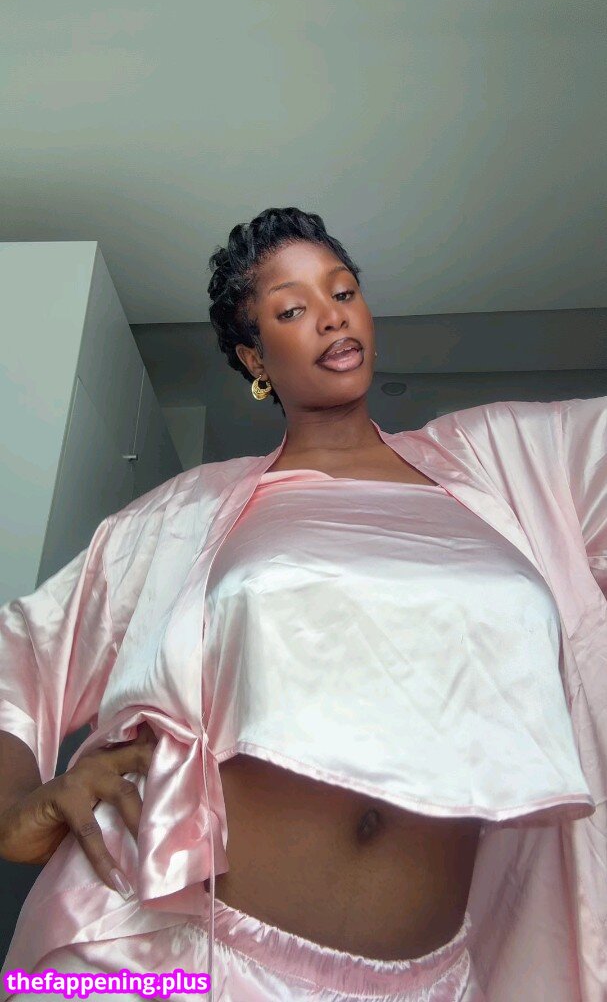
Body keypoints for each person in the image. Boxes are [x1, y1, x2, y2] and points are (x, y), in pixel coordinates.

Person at [0, 206, 605, 1002]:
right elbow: (21, 650)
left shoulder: (506, 466)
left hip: (427, 980)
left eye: (342, 292)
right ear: (254, 357)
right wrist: (14, 805)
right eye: (291, 310)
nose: (330, 316)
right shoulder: (188, 511)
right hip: (173, 957)